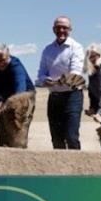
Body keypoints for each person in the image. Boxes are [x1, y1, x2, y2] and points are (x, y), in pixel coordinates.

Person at [36, 15, 85, 149]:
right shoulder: (47, 49)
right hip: (54, 97)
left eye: (64, 27)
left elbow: (75, 73)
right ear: (53, 29)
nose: (61, 30)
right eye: (58, 27)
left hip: (72, 96)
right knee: (56, 138)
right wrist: (44, 80)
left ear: (70, 29)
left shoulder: (76, 47)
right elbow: (41, 73)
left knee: (71, 136)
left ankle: (76, 167)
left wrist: (57, 81)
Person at [0, 43, 36, 147]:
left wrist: (10, 105)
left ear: (8, 55)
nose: (1, 63)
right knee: (3, 127)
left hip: (24, 96)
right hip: (6, 96)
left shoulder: (16, 66)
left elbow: (20, 91)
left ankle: (19, 150)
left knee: (18, 128)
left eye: (4, 59)